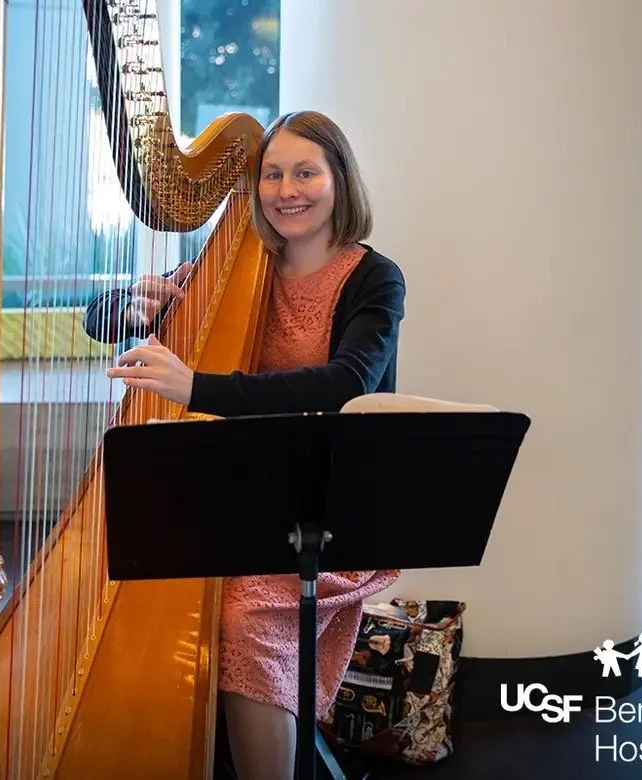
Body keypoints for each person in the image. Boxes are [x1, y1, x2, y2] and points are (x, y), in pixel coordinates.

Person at [83, 110, 405, 779]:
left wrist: (199, 387)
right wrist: (126, 305)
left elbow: (347, 382)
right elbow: (97, 319)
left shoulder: (374, 279)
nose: (288, 189)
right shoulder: (233, 257)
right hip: (237, 491)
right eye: (272, 174)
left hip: (327, 503)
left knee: (244, 612)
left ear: (339, 180)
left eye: (305, 172)